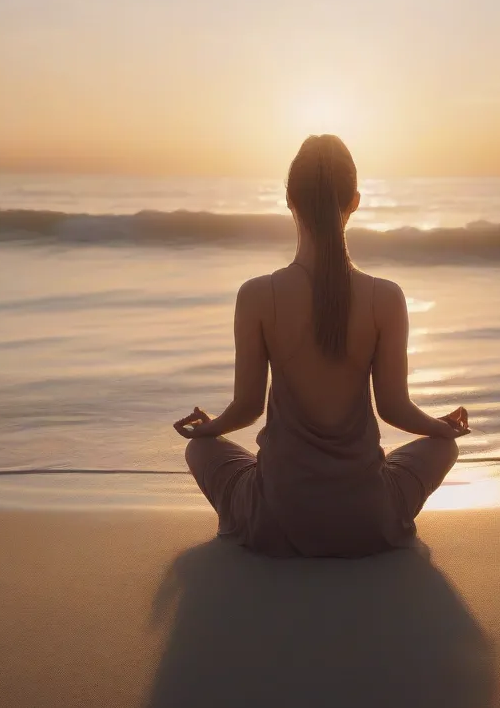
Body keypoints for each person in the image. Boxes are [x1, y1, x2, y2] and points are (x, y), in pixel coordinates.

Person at [173, 134, 469, 558]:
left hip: (275, 517)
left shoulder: (258, 295)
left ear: (289, 199)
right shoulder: (385, 298)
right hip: (366, 519)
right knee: (444, 446)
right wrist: (440, 428)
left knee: (199, 449)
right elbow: (393, 408)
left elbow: (248, 408)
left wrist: (210, 429)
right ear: (355, 201)